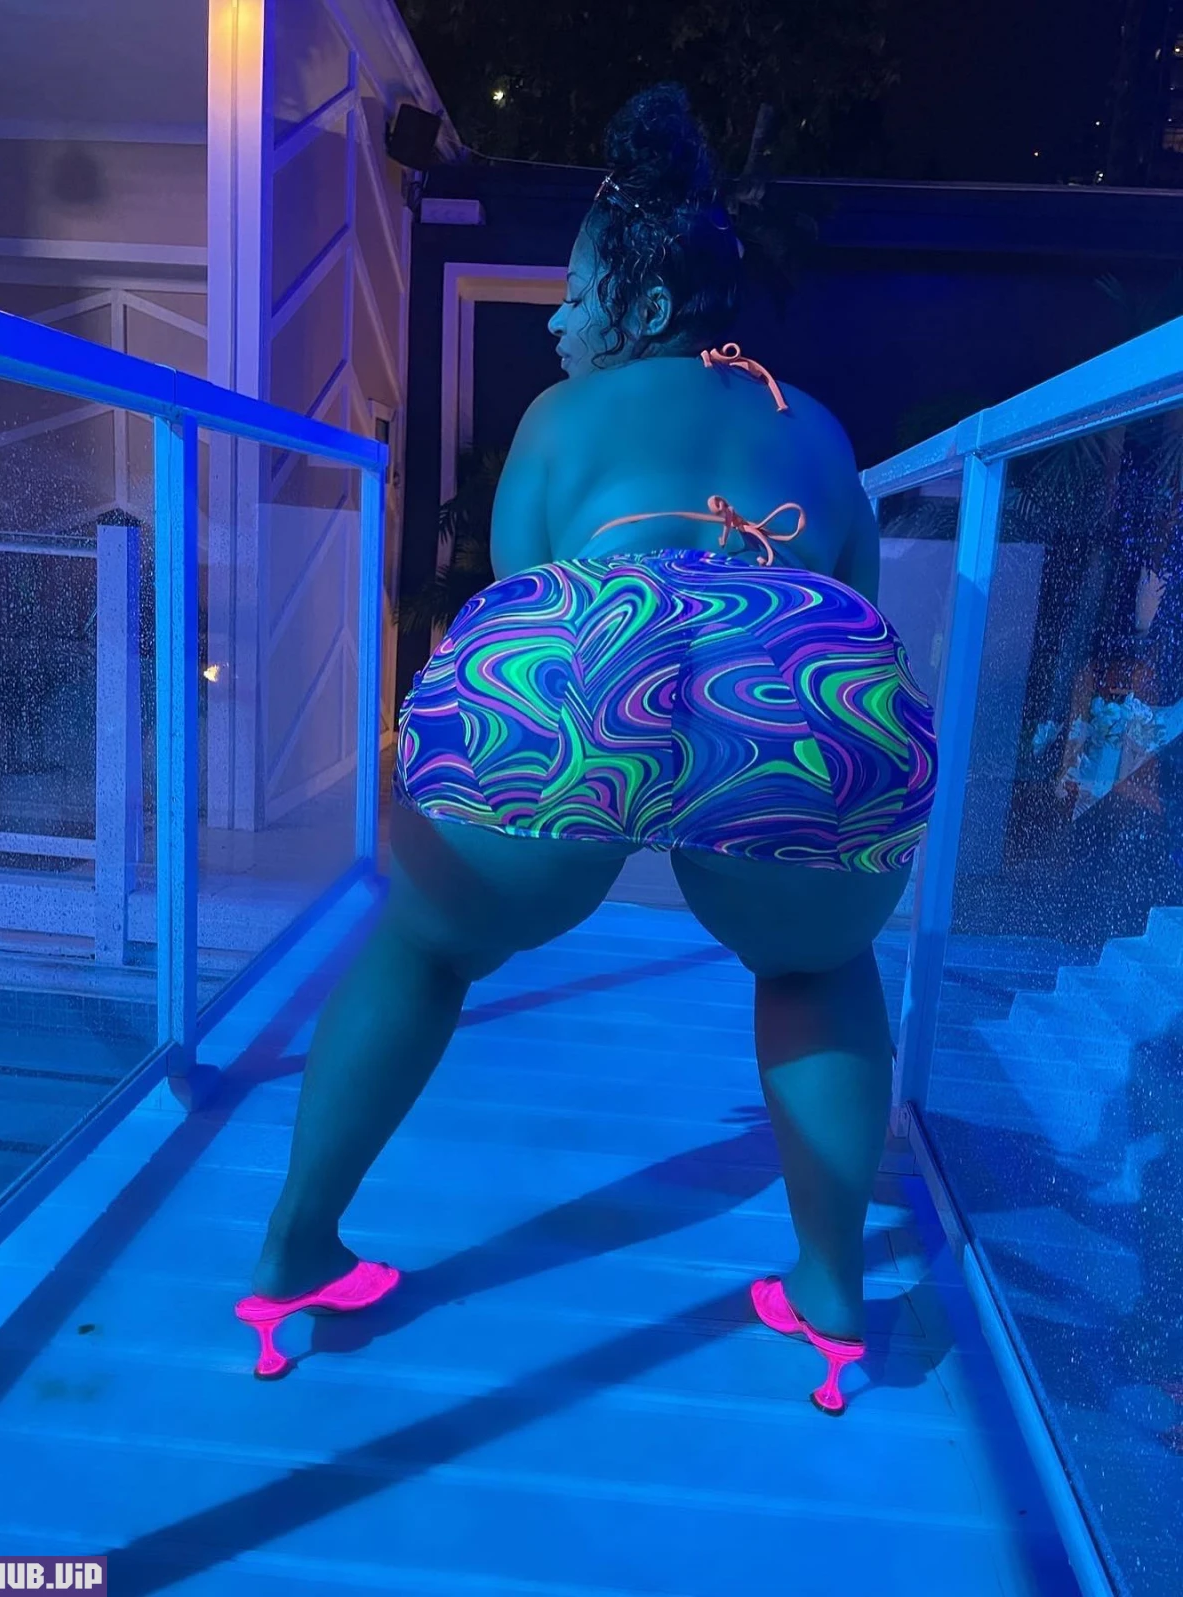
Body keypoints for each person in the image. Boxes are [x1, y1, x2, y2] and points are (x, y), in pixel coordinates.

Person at [236, 85, 937, 1417]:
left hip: (584, 666)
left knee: (423, 947)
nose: (557, 323)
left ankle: (294, 1252)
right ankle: (834, 1294)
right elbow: (848, 595)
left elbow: (525, 592)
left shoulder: (564, 419)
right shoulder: (818, 426)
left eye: (572, 298)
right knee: (817, 965)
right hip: (797, 673)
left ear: (647, 305)